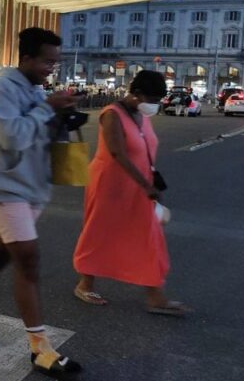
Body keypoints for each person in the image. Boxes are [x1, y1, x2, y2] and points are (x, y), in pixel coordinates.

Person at [0, 28, 82, 378]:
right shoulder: (1, 89)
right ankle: (40, 348)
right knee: (28, 261)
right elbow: (13, 136)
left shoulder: (35, 89)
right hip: (5, 187)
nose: (52, 67)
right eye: (47, 60)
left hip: (29, 186)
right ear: (26, 58)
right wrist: (48, 108)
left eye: (55, 60)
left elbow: (38, 133)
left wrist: (61, 116)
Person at [72, 70, 187, 315]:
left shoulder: (141, 115)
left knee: (149, 236)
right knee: (99, 233)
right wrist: (146, 186)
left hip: (139, 187)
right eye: (152, 99)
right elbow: (117, 153)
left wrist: (147, 182)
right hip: (110, 185)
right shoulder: (111, 114)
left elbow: (143, 150)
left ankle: (155, 296)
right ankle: (85, 284)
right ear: (136, 94)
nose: (155, 105)